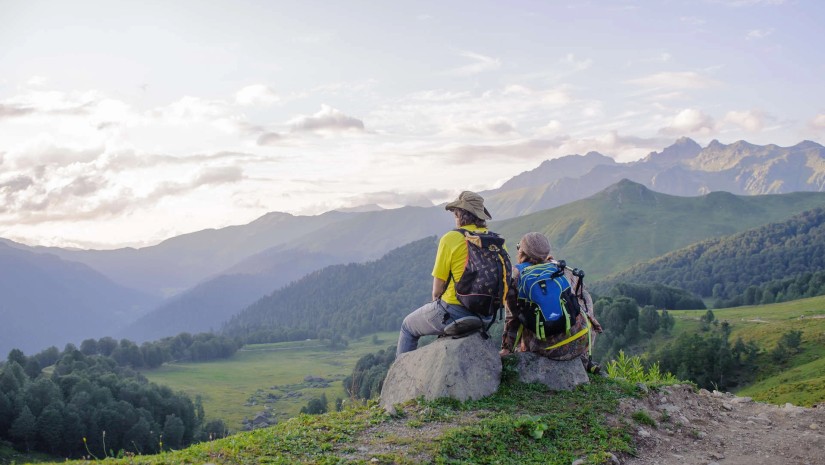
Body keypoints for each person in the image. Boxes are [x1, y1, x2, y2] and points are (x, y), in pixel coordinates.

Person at [396, 191, 500, 356]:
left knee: (408, 326)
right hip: (487, 315)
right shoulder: (495, 241)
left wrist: (438, 309)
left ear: (460, 215)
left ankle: (399, 378)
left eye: (455, 213)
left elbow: (437, 290)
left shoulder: (451, 238)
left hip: (455, 312)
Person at [499, 232, 604, 372]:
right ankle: (585, 361)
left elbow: (513, 319)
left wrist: (507, 349)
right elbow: (583, 299)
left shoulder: (516, 276)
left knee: (528, 317)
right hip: (582, 341)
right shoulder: (561, 269)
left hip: (549, 349)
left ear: (522, 251)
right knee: (578, 301)